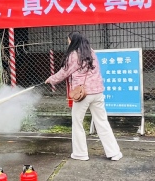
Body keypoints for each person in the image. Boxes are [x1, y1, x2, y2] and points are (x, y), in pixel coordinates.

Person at [45, 32, 122, 161]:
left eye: (68, 41)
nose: (68, 43)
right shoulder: (91, 52)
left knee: (77, 122)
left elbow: (64, 72)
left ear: (73, 41)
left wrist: (51, 79)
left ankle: (80, 153)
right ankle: (114, 153)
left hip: (83, 94)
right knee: (102, 122)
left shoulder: (73, 55)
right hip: (97, 92)